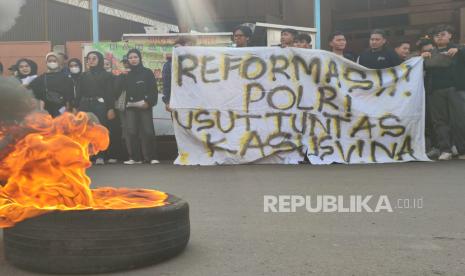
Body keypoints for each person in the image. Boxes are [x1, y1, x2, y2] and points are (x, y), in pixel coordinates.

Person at [423, 25, 465, 160]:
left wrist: (459, 50)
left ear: (450, 35)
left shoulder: (460, 49)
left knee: (459, 120)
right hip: (435, 90)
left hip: (455, 89)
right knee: (439, 121)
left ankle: (462, 149)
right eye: (436, 35)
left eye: (442, 34)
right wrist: (422, 57)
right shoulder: (430, 53)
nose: (439, 37)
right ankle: (445, 149)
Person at [122, 48, 159, 165]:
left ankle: (151, 157)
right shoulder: (126, 74)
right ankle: (135, 158)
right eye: (131, 57)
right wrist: (120, 76)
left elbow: (153, 90)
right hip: (130, 107)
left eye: (135, 57)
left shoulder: (147, 72)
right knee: (131, 131)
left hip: (145, 106)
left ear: (140, 58)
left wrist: (148, 102)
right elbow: (119, 90)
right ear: (127, 60)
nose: (133, 60)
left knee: (148, 131)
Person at [77, 51, 116, 165]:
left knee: (100, 130)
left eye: (94, 58)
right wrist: (76, 106)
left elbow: (110, 93)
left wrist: (110, 108)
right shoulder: (83, 75)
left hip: (100, 104)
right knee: (85, 130)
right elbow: (79, 93)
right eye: (89, 58)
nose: (91, 60)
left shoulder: (107, 75)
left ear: (99, 60)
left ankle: (100, 156)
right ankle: (87, 155)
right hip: (85, 104)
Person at [29, 52, 74, 117]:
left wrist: (67, 110)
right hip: (46, 112)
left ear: (58, 62)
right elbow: (31, 92)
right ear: (46, 62)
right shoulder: (40, 78)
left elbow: (69, 97)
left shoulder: (66, 78)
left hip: (62, 111)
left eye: (54, 61)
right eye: (50, 61)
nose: (52, 62)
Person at [162, 37, 191, 112]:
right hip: (176, 101)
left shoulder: (193, 64)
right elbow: (167, 84)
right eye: (175, 48)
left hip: (192, 101)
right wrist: (167, 102)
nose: (177, 50)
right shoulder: (168, 65)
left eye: (181, 48)